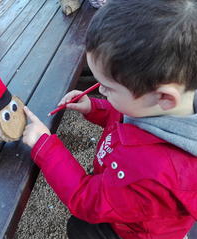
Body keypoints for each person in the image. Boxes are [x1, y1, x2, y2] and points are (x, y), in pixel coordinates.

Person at [22, 0, 197, 238]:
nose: (100, 91)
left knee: (80, 228)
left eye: (107, 87)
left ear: (164, 97)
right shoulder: (153, 105)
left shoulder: (154, 175)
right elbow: (124, 116)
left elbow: (88, 200)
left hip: (133, 232)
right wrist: (93, 106)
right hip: (118, 188)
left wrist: (46, 145)